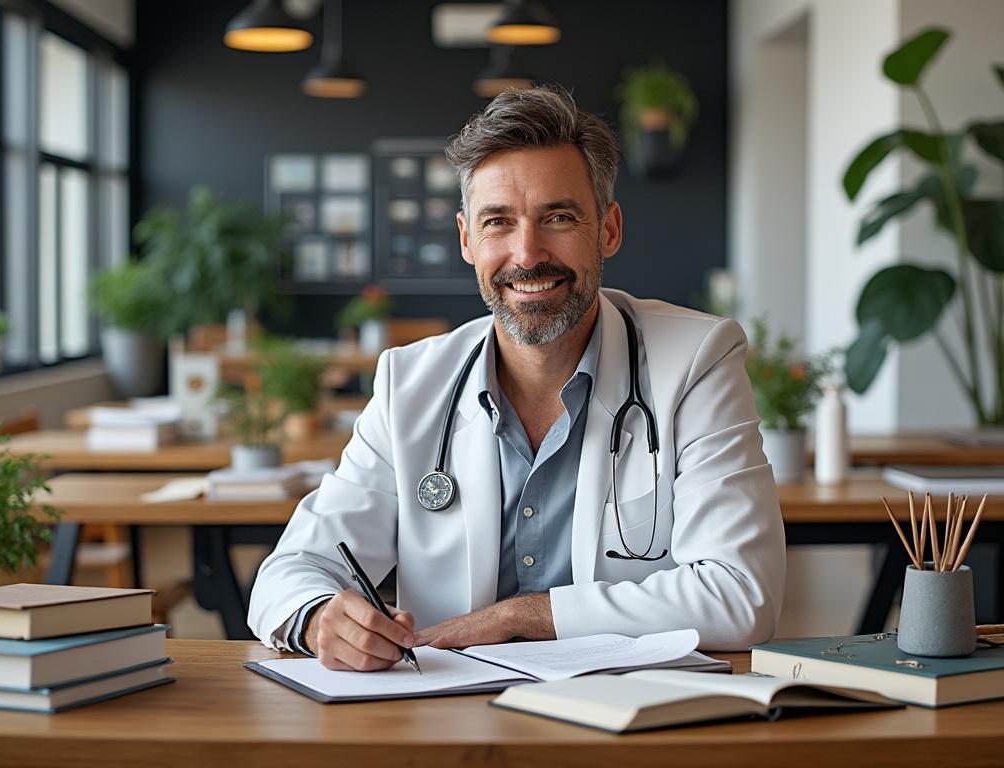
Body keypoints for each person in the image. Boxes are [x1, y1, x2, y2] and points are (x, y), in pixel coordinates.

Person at [247, 87, 785, 671]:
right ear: (465, 239)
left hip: (629, 723)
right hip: (450, 722)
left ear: (608, 229)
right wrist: (321, 617)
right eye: (498, 222)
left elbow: (741, 594)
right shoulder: (409, 383)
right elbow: (290, 571)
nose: (527, 254)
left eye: (558, 217)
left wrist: (522, 617)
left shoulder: (696, 359)